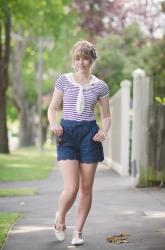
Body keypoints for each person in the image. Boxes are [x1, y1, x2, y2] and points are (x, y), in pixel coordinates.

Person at [47, 40, 111, 246]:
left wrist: (104, 130)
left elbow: (106, 116)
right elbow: (52, 108)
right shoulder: (64, 80)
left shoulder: (100, 85)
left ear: (92, 60)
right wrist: (54, 124)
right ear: (74, 60)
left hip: (89, 135)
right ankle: (61, 220)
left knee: (86, 187)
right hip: (68, 133)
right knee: (71, 188)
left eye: (86, 58)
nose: (82, 62)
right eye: (78, 58)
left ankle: (79, 232)